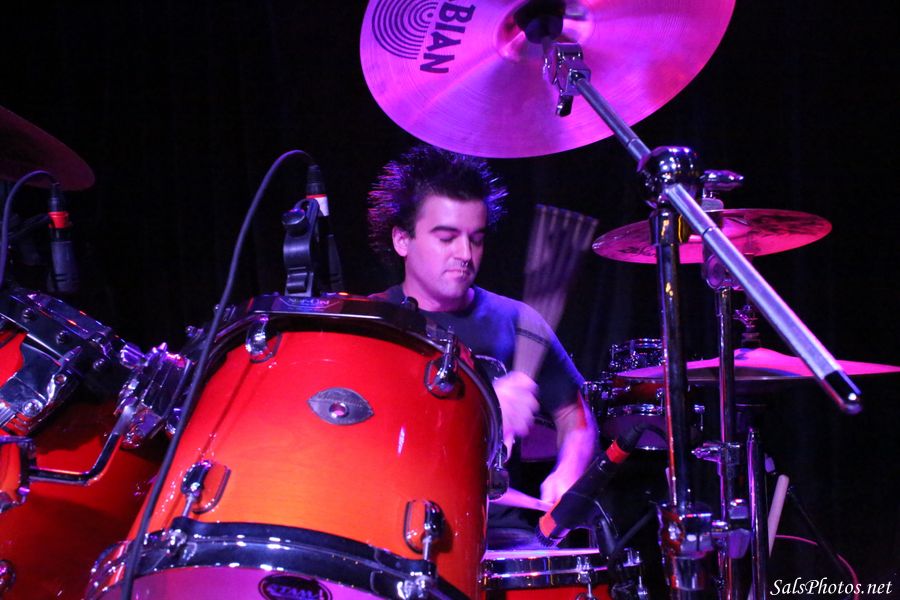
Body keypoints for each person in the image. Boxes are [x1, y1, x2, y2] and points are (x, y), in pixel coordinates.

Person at [367, 144, 596, 549]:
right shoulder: (371, 326)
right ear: (402, 239)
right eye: (446, 238)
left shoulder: (518, 321)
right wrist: (483, 409)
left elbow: (573, 414)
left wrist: (568, 471)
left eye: (475, 239)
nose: (465, 254)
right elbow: (362, 442)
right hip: (394, 527)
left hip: (499, 534)